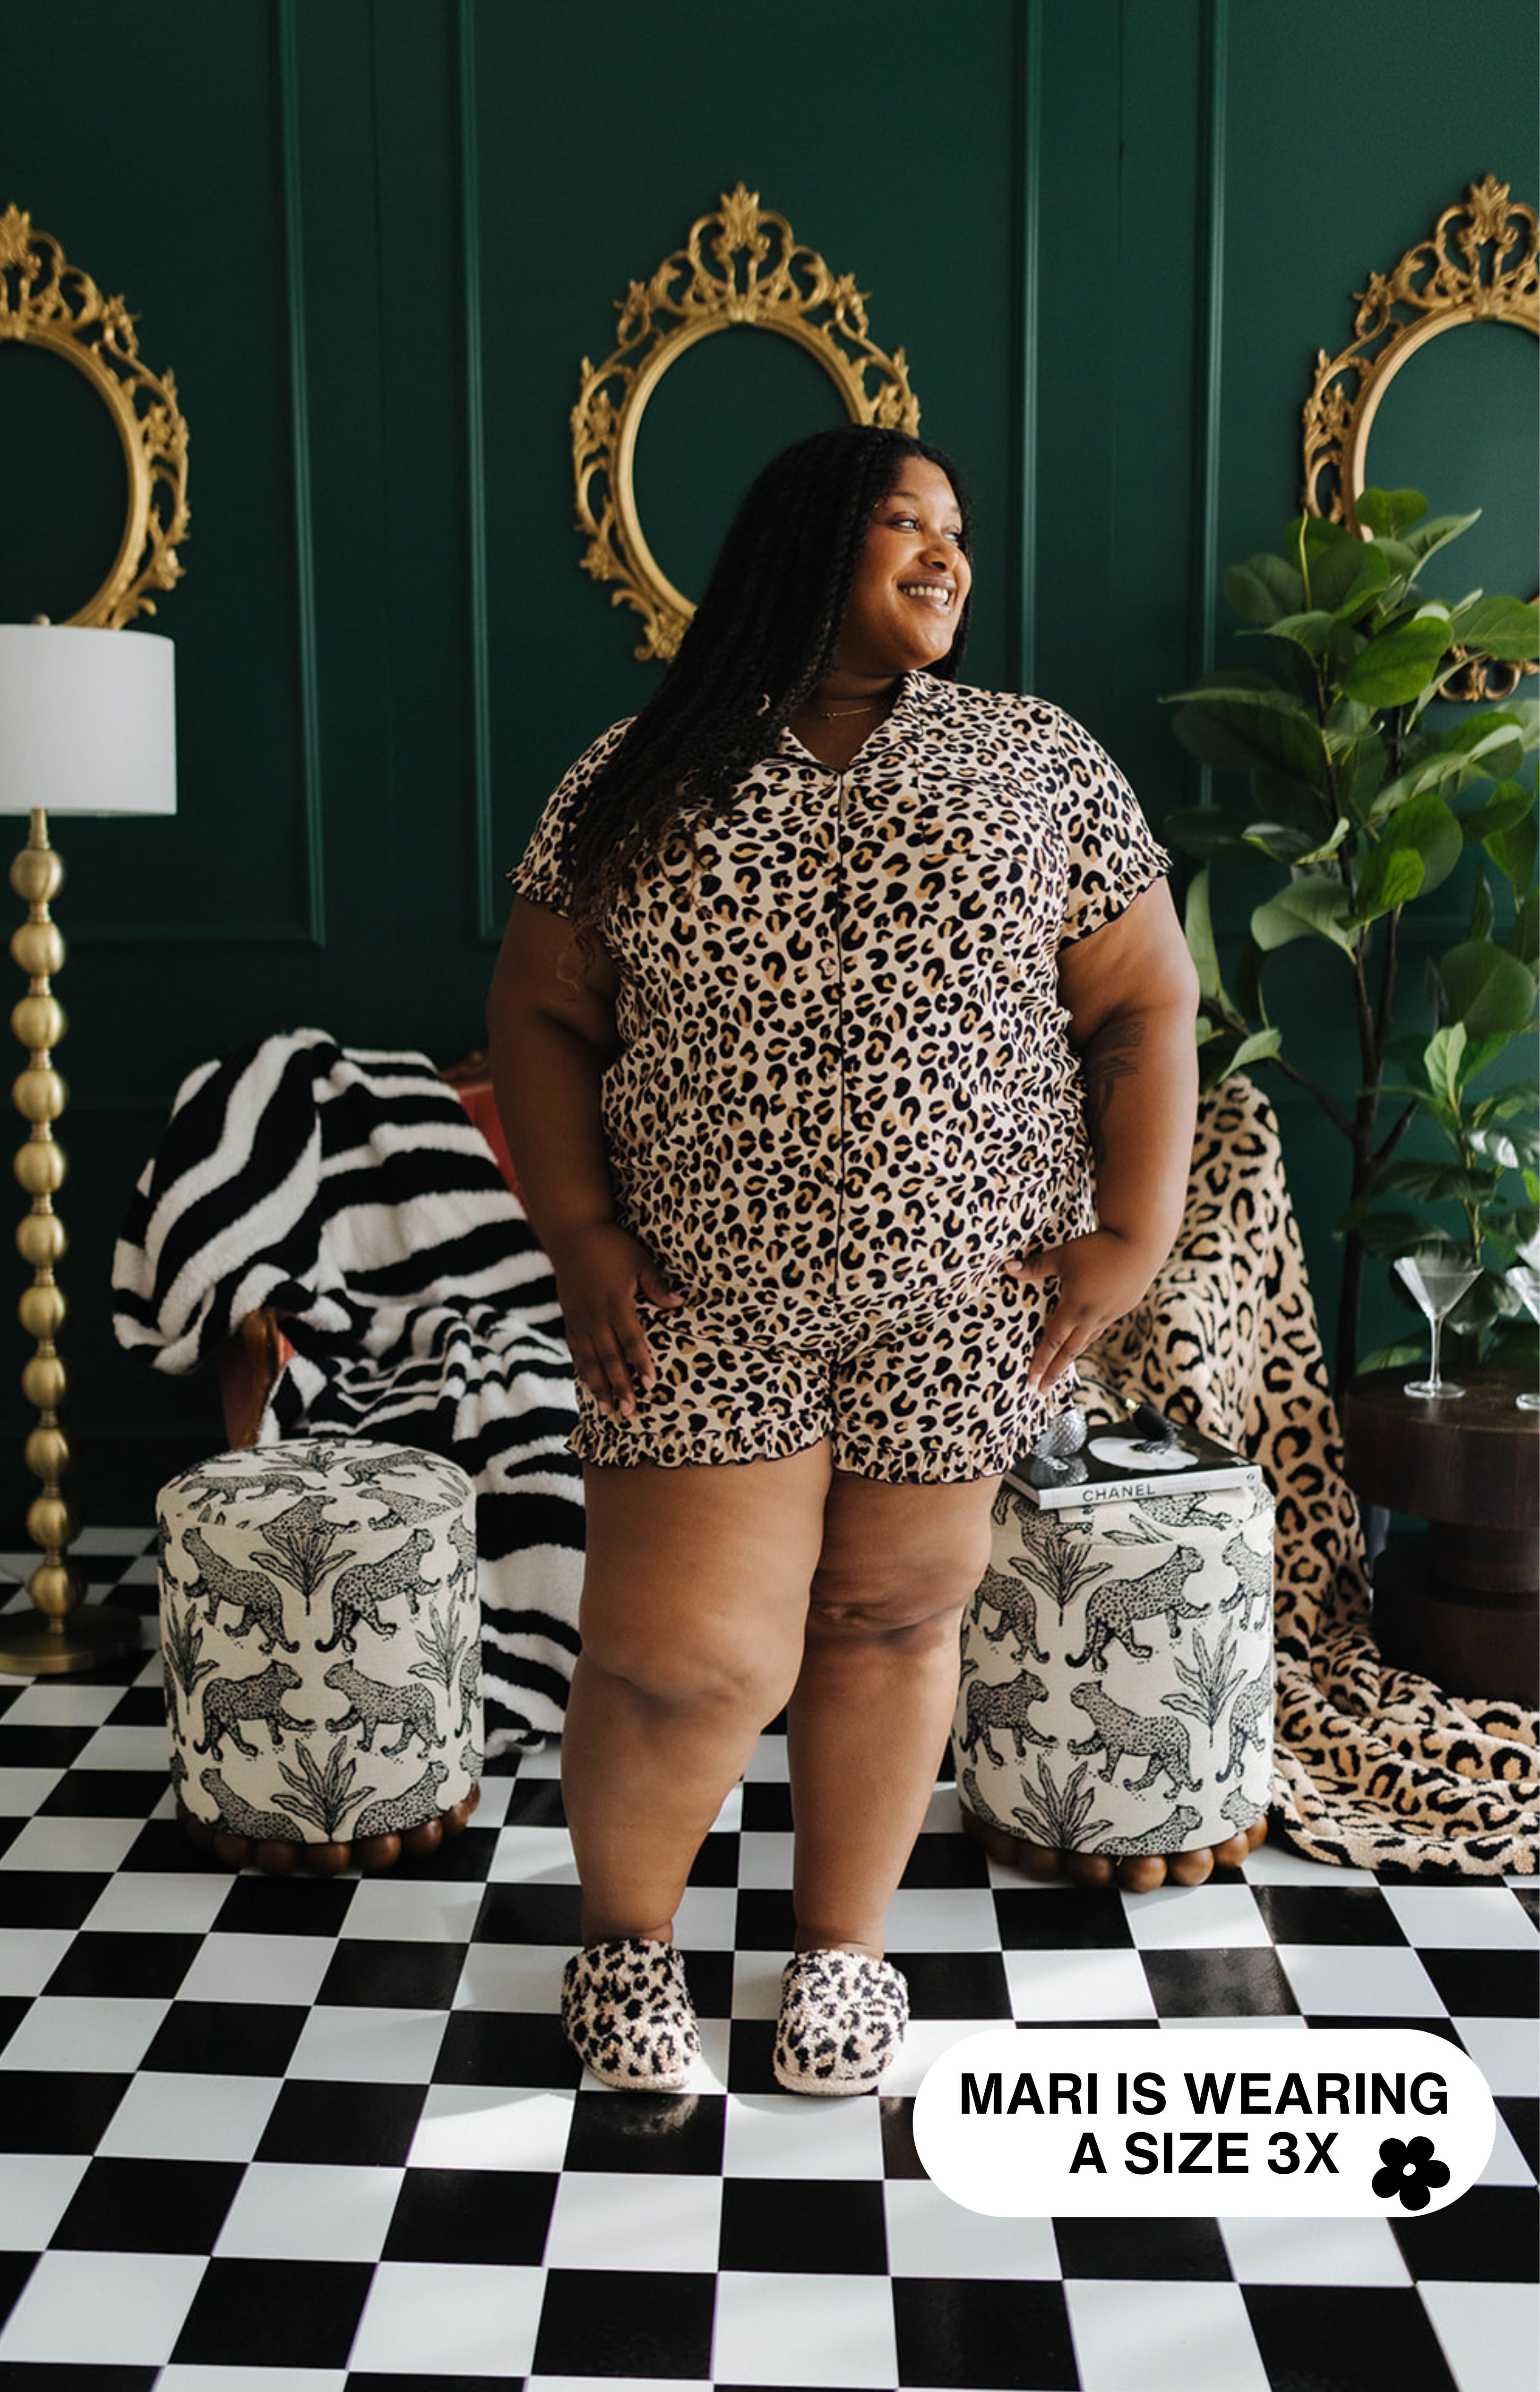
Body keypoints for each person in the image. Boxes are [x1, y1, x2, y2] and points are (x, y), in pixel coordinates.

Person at [486, 424, 1198, 2097]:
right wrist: (578, 1231)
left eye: (960, 528)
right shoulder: (639, 770)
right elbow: (535, 1009)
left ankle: (842, 1958)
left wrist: (1137, 1230)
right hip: (700, 1299)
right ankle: (625, 1947)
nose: (950, 554)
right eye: (907, 521)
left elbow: (1146, 1005)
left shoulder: (1037, 760)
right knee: (687, 1658)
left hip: (968, 1303)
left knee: (889, 1620)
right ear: (808, 543)